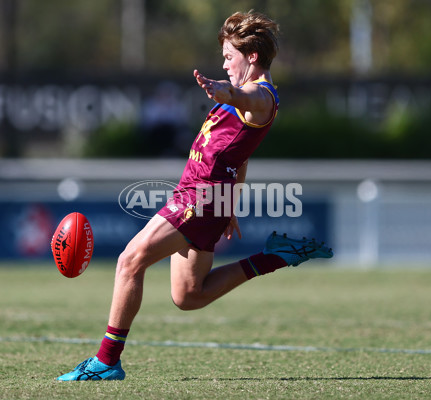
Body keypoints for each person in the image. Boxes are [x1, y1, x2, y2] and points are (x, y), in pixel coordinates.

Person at [57, 10, 333, 381]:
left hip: (198, 200)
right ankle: (272, 257)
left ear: (252, 56)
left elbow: (244, 96)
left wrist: (226, 91)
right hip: (208, 200)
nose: (224, 63)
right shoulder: (249, 96)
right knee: (188, 295)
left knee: (129, 262)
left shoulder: (259, 96)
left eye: (229, 56)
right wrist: (230, 205)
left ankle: (106, 362)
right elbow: (241, 155)